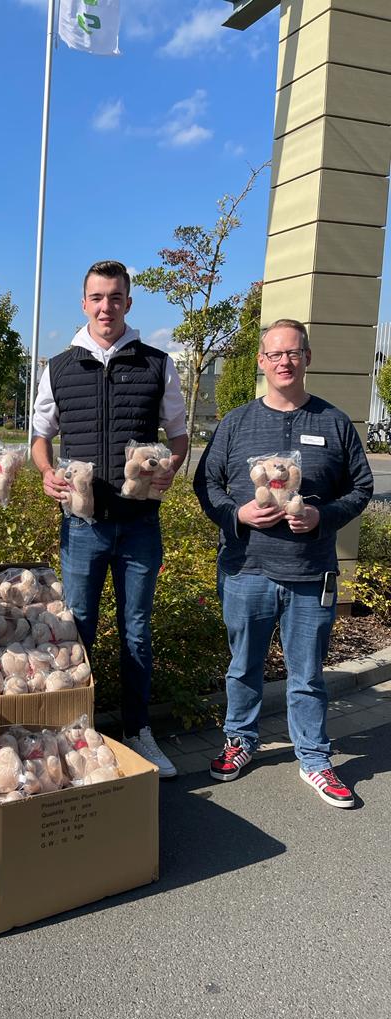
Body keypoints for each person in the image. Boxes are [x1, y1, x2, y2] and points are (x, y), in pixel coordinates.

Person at [193, 318, 373, 808]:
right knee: (243, 666)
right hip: (246, 569)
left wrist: (321, 516)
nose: (284, 362)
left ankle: (314, 758)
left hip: (310, 572)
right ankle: (240, 739)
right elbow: (206, 485)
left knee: (307, 674)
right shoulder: (236, 422)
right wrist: (237, 515)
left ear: (307, 358)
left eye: (293, 353)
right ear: (261, 361)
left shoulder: (334, 422)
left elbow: (362, 487)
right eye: (275, 354)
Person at [31, 259, 189, 777]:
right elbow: (40, 438)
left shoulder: (157, 364)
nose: (106, 307)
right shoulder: (58, 367)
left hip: (139, 524)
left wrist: (172, 468)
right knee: (78, 630)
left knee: (136, 631)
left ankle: (139, 731)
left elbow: (178, 434)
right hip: (82, 525)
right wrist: (47, 472)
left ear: (128, 302)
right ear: (84, 303)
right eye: (97, 298)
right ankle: (77, 730)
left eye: (115, 297)